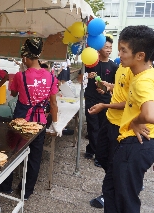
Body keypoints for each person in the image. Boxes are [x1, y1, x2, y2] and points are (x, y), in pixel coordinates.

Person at [0, 37, 61, 200]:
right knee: (35, 156)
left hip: (21, 120)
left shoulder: (20, 76)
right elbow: (53, 104)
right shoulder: (51, 77)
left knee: (12, 152)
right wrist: (55, 123)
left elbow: (13, 94)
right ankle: (26, 191)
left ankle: (6, 186)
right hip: (40, 122)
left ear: (25, 57)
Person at [102, 25, 154, 213]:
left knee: (125, 200)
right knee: (111, 189)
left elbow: (150, 114)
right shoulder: (146, 75)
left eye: (124, 50)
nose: (119, 54)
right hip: (132, 144)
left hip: (135, 145)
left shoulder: (142, 81)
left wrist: (137, 121)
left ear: (140, 55)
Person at [87, 64, 133, 208]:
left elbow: (132, 102)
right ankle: (117, 183)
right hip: (110, 120)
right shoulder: (121, 67)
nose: (119, 53)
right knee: (101, 156)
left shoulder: (140, 74)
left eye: (124, 50)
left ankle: (112, 193)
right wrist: (108, 86)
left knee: (115, 162)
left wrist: (104, 106)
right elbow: (121, 89)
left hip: (122, 125)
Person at [78, 36, 118, 167]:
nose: (109, 50)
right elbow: (79, 78)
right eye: (106, 47)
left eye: (110, 47)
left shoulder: (113, 66)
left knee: (101, 128)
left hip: (105, 101)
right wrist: (85, 76)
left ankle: (95, 152)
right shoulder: (91, 63)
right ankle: (94, 152)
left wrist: (106, 90)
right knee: (92, 127)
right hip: (91, 99)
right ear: (99, 47)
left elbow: (116, 85)